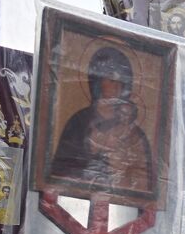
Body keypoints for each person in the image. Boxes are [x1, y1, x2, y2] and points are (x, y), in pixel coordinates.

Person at [50, 45, 155, 197]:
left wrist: (122, 171)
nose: (117, 87)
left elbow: (143, 182)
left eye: (122, 82)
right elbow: (60, 172)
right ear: (98, 82)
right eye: (111, 79)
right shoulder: (78, 124)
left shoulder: (134, 133)